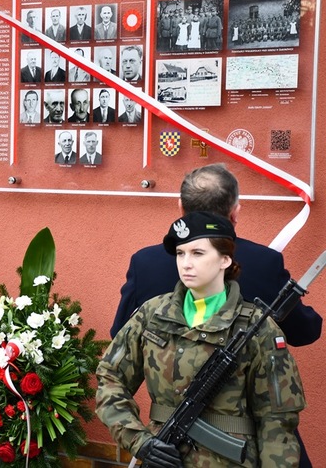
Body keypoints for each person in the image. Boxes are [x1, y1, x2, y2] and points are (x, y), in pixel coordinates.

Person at [110, 163, 321, 466]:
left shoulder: (146, 263)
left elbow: (119, 333)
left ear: (180, 208)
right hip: (220, 436)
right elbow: (305, 332)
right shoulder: (264, 262)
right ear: (235, 212)